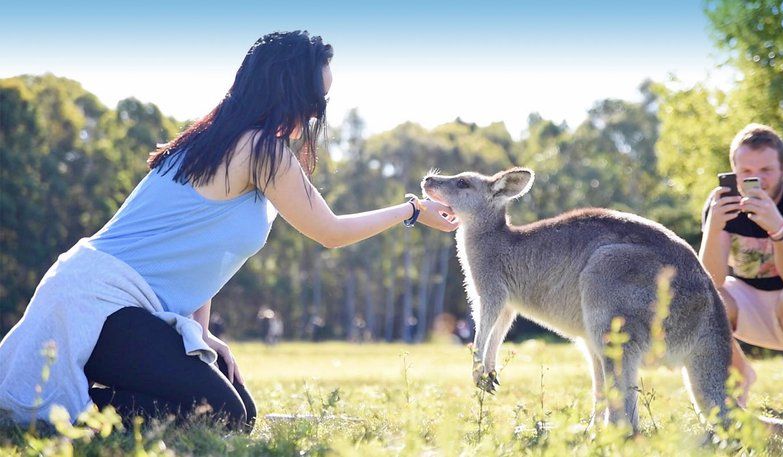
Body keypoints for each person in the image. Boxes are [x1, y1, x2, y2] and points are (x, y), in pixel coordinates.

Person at [0, 30, 457, 433]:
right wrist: (411, 211)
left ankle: (86, 406)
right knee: (222, 414)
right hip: (94, 304)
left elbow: (201, 248)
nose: (317, 113)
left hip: (120, 305)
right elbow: (330, 232)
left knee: (242, 413)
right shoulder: (260, 150)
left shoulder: (216, 139)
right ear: (289, 91)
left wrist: (200, 332)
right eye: (317, 99)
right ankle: (67, 415)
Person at [699, 123, 783, 405]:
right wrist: (714, 227)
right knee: (707, 301)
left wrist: (778, 229)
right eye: (746, 172)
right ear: (734, 170)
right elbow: (711, 281)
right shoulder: (722, 202)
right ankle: (736, 383)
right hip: (750, 304)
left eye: (766, 170)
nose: (756, 179)